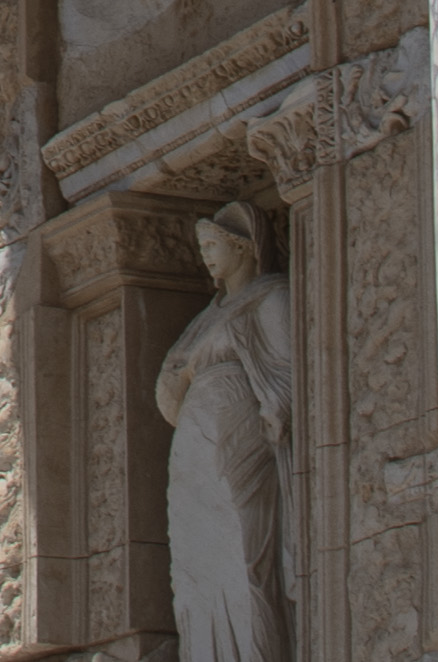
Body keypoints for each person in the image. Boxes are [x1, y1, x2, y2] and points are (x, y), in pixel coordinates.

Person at [155, 198, 295, 662]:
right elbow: (169, 394)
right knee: (196, 559)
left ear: (243, 247)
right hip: (194, 444)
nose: (206, 256)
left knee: (243, 550)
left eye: (213, 245)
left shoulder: (271, 297)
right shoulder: (205, 319)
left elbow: (287, 379)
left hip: (241, 438)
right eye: (202, 248)